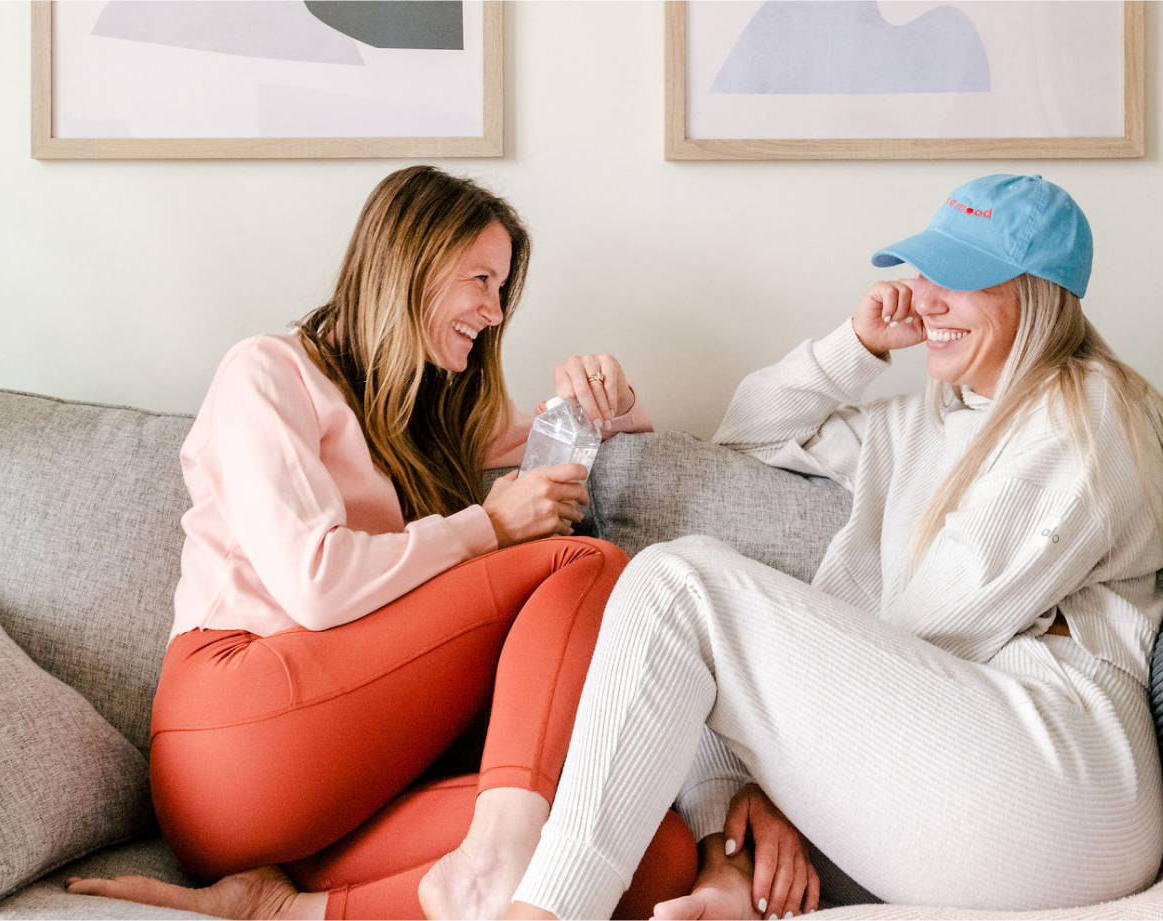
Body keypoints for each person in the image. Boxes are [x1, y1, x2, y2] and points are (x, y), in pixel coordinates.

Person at [66, 166, 749, 920]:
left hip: (342, 788)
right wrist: (487, 525)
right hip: (236, 730)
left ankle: (285, 911)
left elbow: (585, 435)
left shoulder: (432, 415)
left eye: (503, 290)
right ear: (411, 265)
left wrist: (607, 395)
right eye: (481, 280)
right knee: (582, 562)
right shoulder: (268, 372)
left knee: (647, 855)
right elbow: (316, 582)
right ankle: (499, 852)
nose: (494, 311)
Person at [473, 174, 1163, 921]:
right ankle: (724, 866)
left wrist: (788, 769)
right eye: (925, 270)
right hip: (965, 781)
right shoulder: (931, 418)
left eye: (957, 279)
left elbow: (946, 616)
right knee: (675, 615)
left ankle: (541, 911)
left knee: (677, 586)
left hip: (1067, 776)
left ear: (1035, 292)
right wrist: (858, 345)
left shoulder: (1093, 407)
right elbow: (749, 437)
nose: (926, 297)